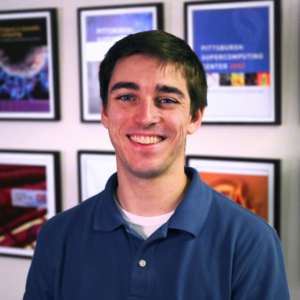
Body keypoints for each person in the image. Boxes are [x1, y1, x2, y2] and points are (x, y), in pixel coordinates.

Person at [24, 30, 290, 299]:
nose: (145, 117)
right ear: (105, 112)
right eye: (127, 97)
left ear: (195, 117)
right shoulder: (57, 236)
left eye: (167, 100)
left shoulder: (251, 241)